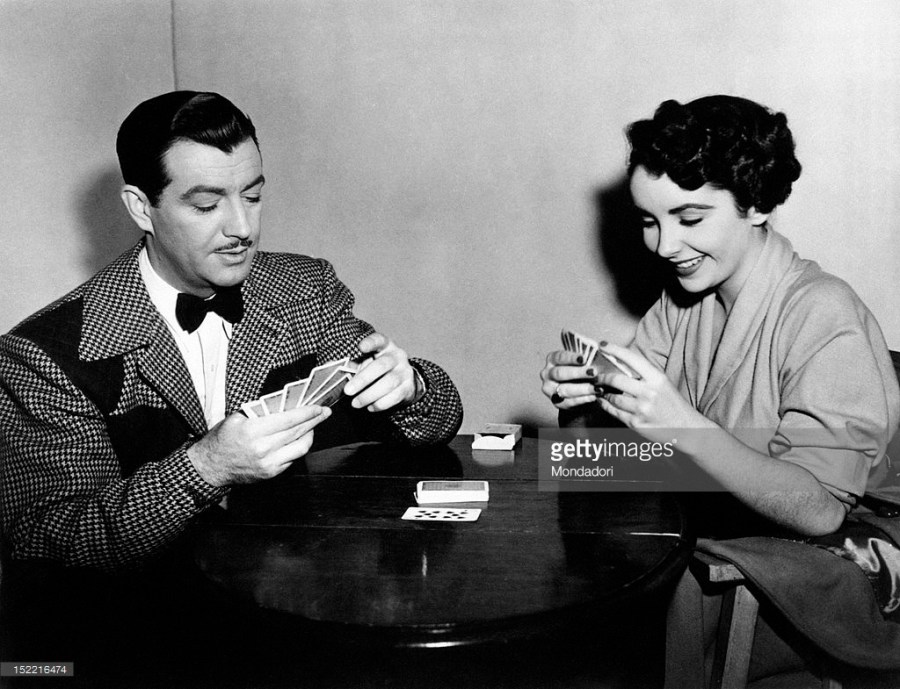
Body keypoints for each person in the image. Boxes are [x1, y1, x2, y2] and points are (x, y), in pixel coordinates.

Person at [0, 91, 463, 680]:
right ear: (141, 208)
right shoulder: (42, 354)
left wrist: (412, 386)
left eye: (253, 195)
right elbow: (51, 540)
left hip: (293, 625)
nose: (242, 228)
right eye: (206, 204)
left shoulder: (304, 289)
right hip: (143, 645)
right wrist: (206, 466)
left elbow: (440, 420)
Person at [540, 95, 900, 684]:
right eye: (649, 221)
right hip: (726, 539)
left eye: (689, 219)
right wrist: (585, 402)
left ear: (757, 204)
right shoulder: (681, 305)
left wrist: (681, 427)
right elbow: (602, 468)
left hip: (826, 576)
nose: (663, 246)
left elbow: (819, 510)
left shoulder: (824, 312)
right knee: (567, 561)